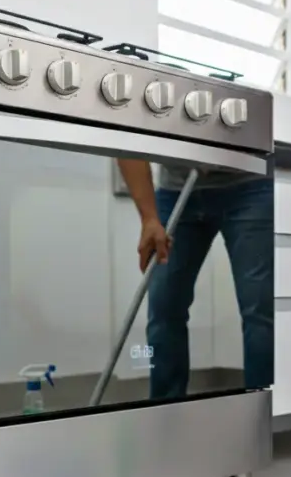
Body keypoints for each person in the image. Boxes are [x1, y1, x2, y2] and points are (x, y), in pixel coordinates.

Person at [116, 159, 274, 400]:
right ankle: (166, 415)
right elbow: (127, 143)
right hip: (176, 189)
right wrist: (149, 218)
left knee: (259, 309)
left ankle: (262, 413)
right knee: (163, 307)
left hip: (251, 184)